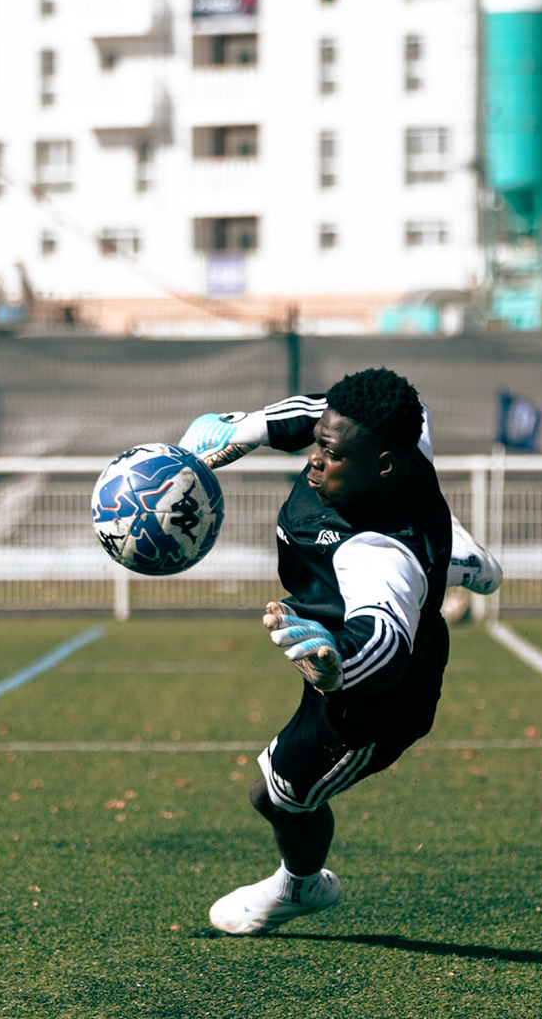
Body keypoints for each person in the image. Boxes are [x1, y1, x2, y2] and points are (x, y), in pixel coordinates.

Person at [179, 369, 500, 935]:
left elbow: (384, 642)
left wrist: (336, 666)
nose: (314, 460)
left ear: (383, 466)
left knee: (277, 797)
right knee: (276, 791)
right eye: (318, 445)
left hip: (372, 701)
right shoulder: (399, 436)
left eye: (330, 455)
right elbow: (325, 412)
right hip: (346, 617)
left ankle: (300, 887)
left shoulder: (378, 555)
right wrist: (250, 427)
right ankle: (455, 558)